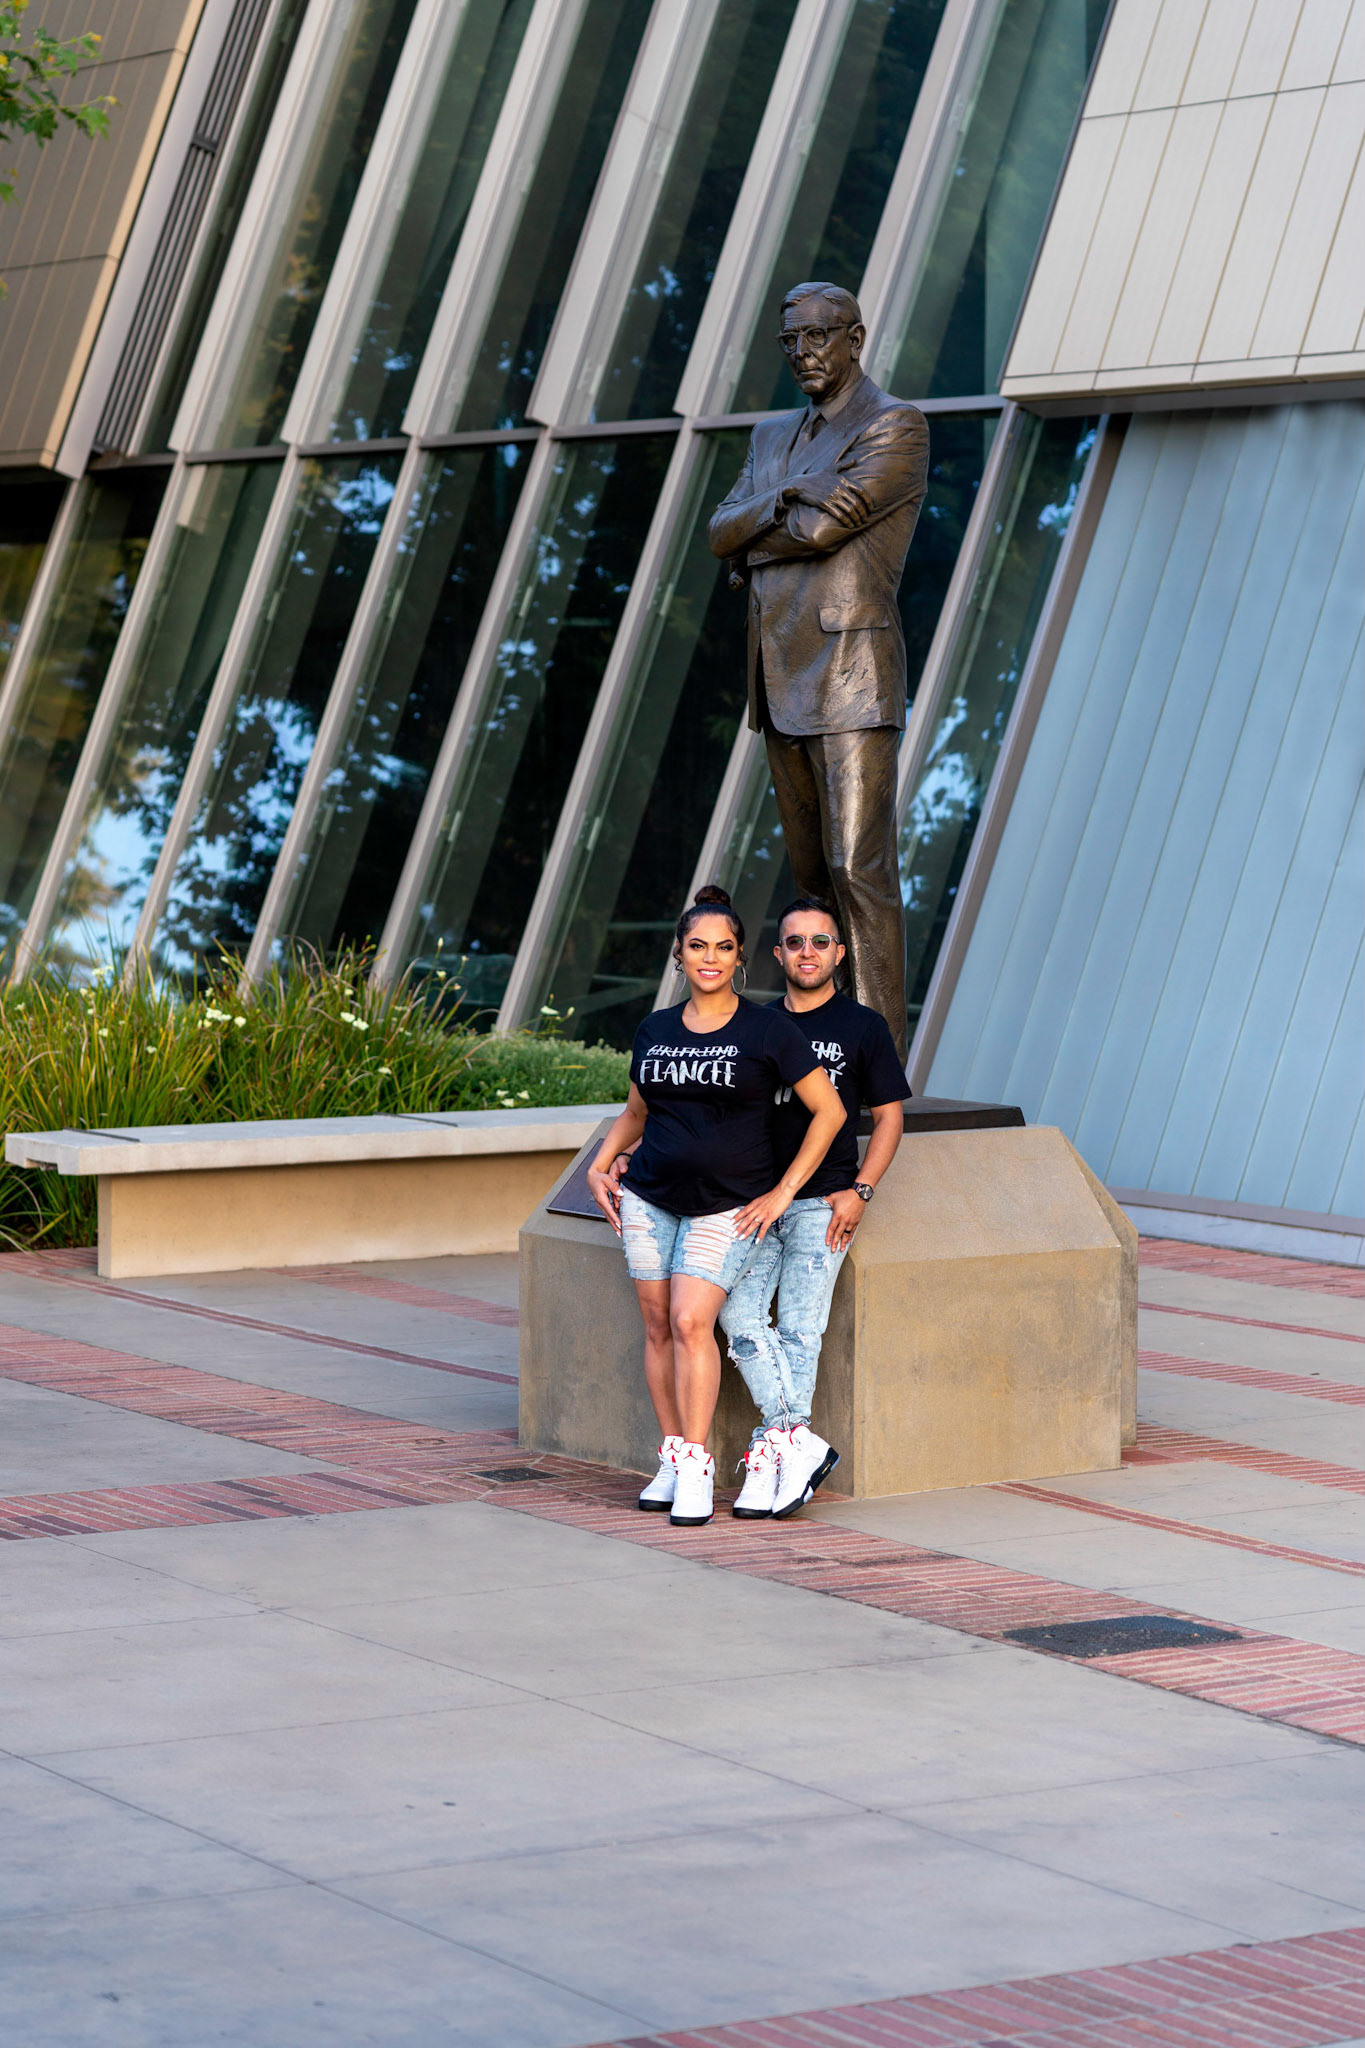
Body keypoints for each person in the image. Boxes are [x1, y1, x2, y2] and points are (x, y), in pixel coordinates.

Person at [707, 281, 929, 1058]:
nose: (801, 353)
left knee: (856, 870)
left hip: (851, 674)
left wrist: (756, 538)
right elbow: (718, 531)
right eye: (789, 341)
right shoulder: (771, 436)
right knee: (811, 882)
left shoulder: (893, 424)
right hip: (777, 675)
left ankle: (876, 1061)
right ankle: (817, 1050)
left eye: (817, 336)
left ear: (854, 338)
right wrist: (785, 496)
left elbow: (821, 530)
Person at [586, 886, 844, 1529]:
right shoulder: (655, 1029)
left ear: (739, 958)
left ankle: (697, 1467)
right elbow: (638, 1111)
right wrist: (600, 1162)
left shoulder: (769, 1029)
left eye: (723, 948)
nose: (710, 958)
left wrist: (783, 1192)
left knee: (691, 1321)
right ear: (679, 954)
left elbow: (831, 1111)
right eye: (698, 947)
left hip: (728, 1207)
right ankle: (673, 1457)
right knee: (657, 1327)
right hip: (649, 1198)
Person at [719, 897, 909, 1518]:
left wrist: (862, 1191)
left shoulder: (863, 1027)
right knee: (738, 1315)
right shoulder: (754, 1024)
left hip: (823, 1203)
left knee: (801, 1331)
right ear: (778, 954)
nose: (808, 952)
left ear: (839, 953)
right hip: (753, 1202)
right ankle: (794, 1443)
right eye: (796, 942)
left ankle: (772, 1452)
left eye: (820, 941)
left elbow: (889, 1119)